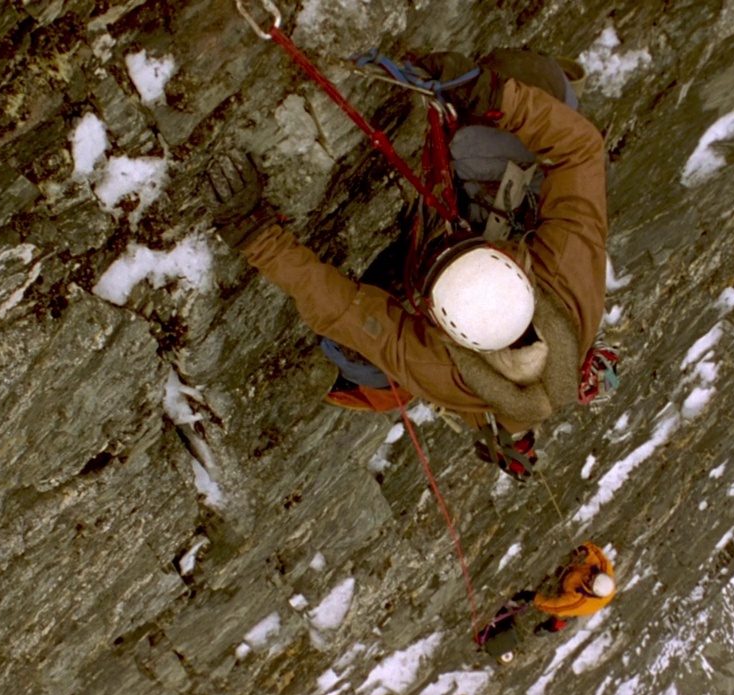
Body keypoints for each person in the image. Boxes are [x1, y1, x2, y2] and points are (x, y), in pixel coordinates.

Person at [201, 50, 609, 474]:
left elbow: (343, 311)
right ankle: (517, 114)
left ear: (448, 329)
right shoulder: (568, 273)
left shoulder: (438, 367)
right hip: (500, 226)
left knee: (359, 358)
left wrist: (257, 236)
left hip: (451, 322)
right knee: (532, 78)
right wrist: (494, 94)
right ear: (519, 268)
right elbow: (580, 152)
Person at [514, 541, 614, 633]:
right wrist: (585, 550)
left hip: (582, 601)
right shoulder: (603, 567)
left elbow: (555, 607)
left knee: (563, 612)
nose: (588, 576)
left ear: (590, 590)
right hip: (576, 577)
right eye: (593, 575)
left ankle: (556, 625)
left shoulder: (578, 601)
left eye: (589, 581)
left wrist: (533, 597)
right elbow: (594, 551)